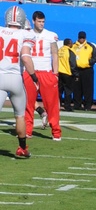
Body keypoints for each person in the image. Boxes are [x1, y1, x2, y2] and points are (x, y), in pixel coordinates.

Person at [20, 8, 61, 141]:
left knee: (52, 104)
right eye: (39, 21)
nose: (41, 24)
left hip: (46, 71)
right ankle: (28, 130)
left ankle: (56, 132)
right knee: (28, 102)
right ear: (33, 21)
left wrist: (56, 73)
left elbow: (55, 54)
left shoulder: (50, 35)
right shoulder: (26, 34)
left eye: (43, 21)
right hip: (31, 71)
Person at [0, 3, 31, 156]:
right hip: (15, 78)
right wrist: (33, 75)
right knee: (19, 115)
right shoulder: (25, 34)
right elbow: (25, 57)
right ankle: (22, 148)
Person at [72, 30, 96, 110]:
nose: (81, 39)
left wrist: (89, 62)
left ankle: (87, 106)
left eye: (83, 38)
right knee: (77, 88)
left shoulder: (90, 46)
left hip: (87, 70)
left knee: (88, 88)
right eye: (80, 38)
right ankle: (77, 104)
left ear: (85, 38)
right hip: (77, 70)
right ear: (78, 38)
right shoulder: (73, 46)